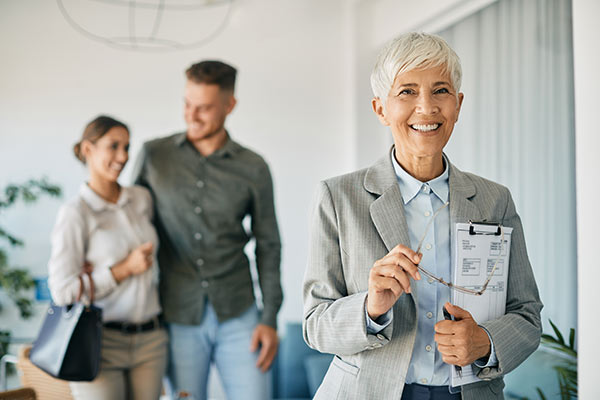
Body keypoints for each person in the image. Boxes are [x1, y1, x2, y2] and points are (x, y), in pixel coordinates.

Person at [302, 32, 543, 399]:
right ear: (380, 109)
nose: (427, 107)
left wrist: (485, 342)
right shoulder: (338, 198)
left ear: (458, 105)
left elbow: (526, 315)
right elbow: (315, 325)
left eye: (441, 91)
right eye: (407, 91)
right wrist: (371, 307)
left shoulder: (496, 201)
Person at [133, 60, 282, 400]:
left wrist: (269, 316)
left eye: (204, 108)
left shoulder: (253, 167)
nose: (191, 115)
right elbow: (127, 222)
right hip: (177, 312)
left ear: (230, 105)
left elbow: (268, 244)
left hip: (239, 311)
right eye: (187, 104)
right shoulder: (154, 156)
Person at [48, 115, 167, 400]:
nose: (123, 156)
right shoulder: (75, 213)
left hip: (151, 341)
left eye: (126, 147)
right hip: (99, 343)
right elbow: (62, 291)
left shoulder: (141, 199)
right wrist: (122, 269)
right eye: (113, 146)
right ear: (88, 150)